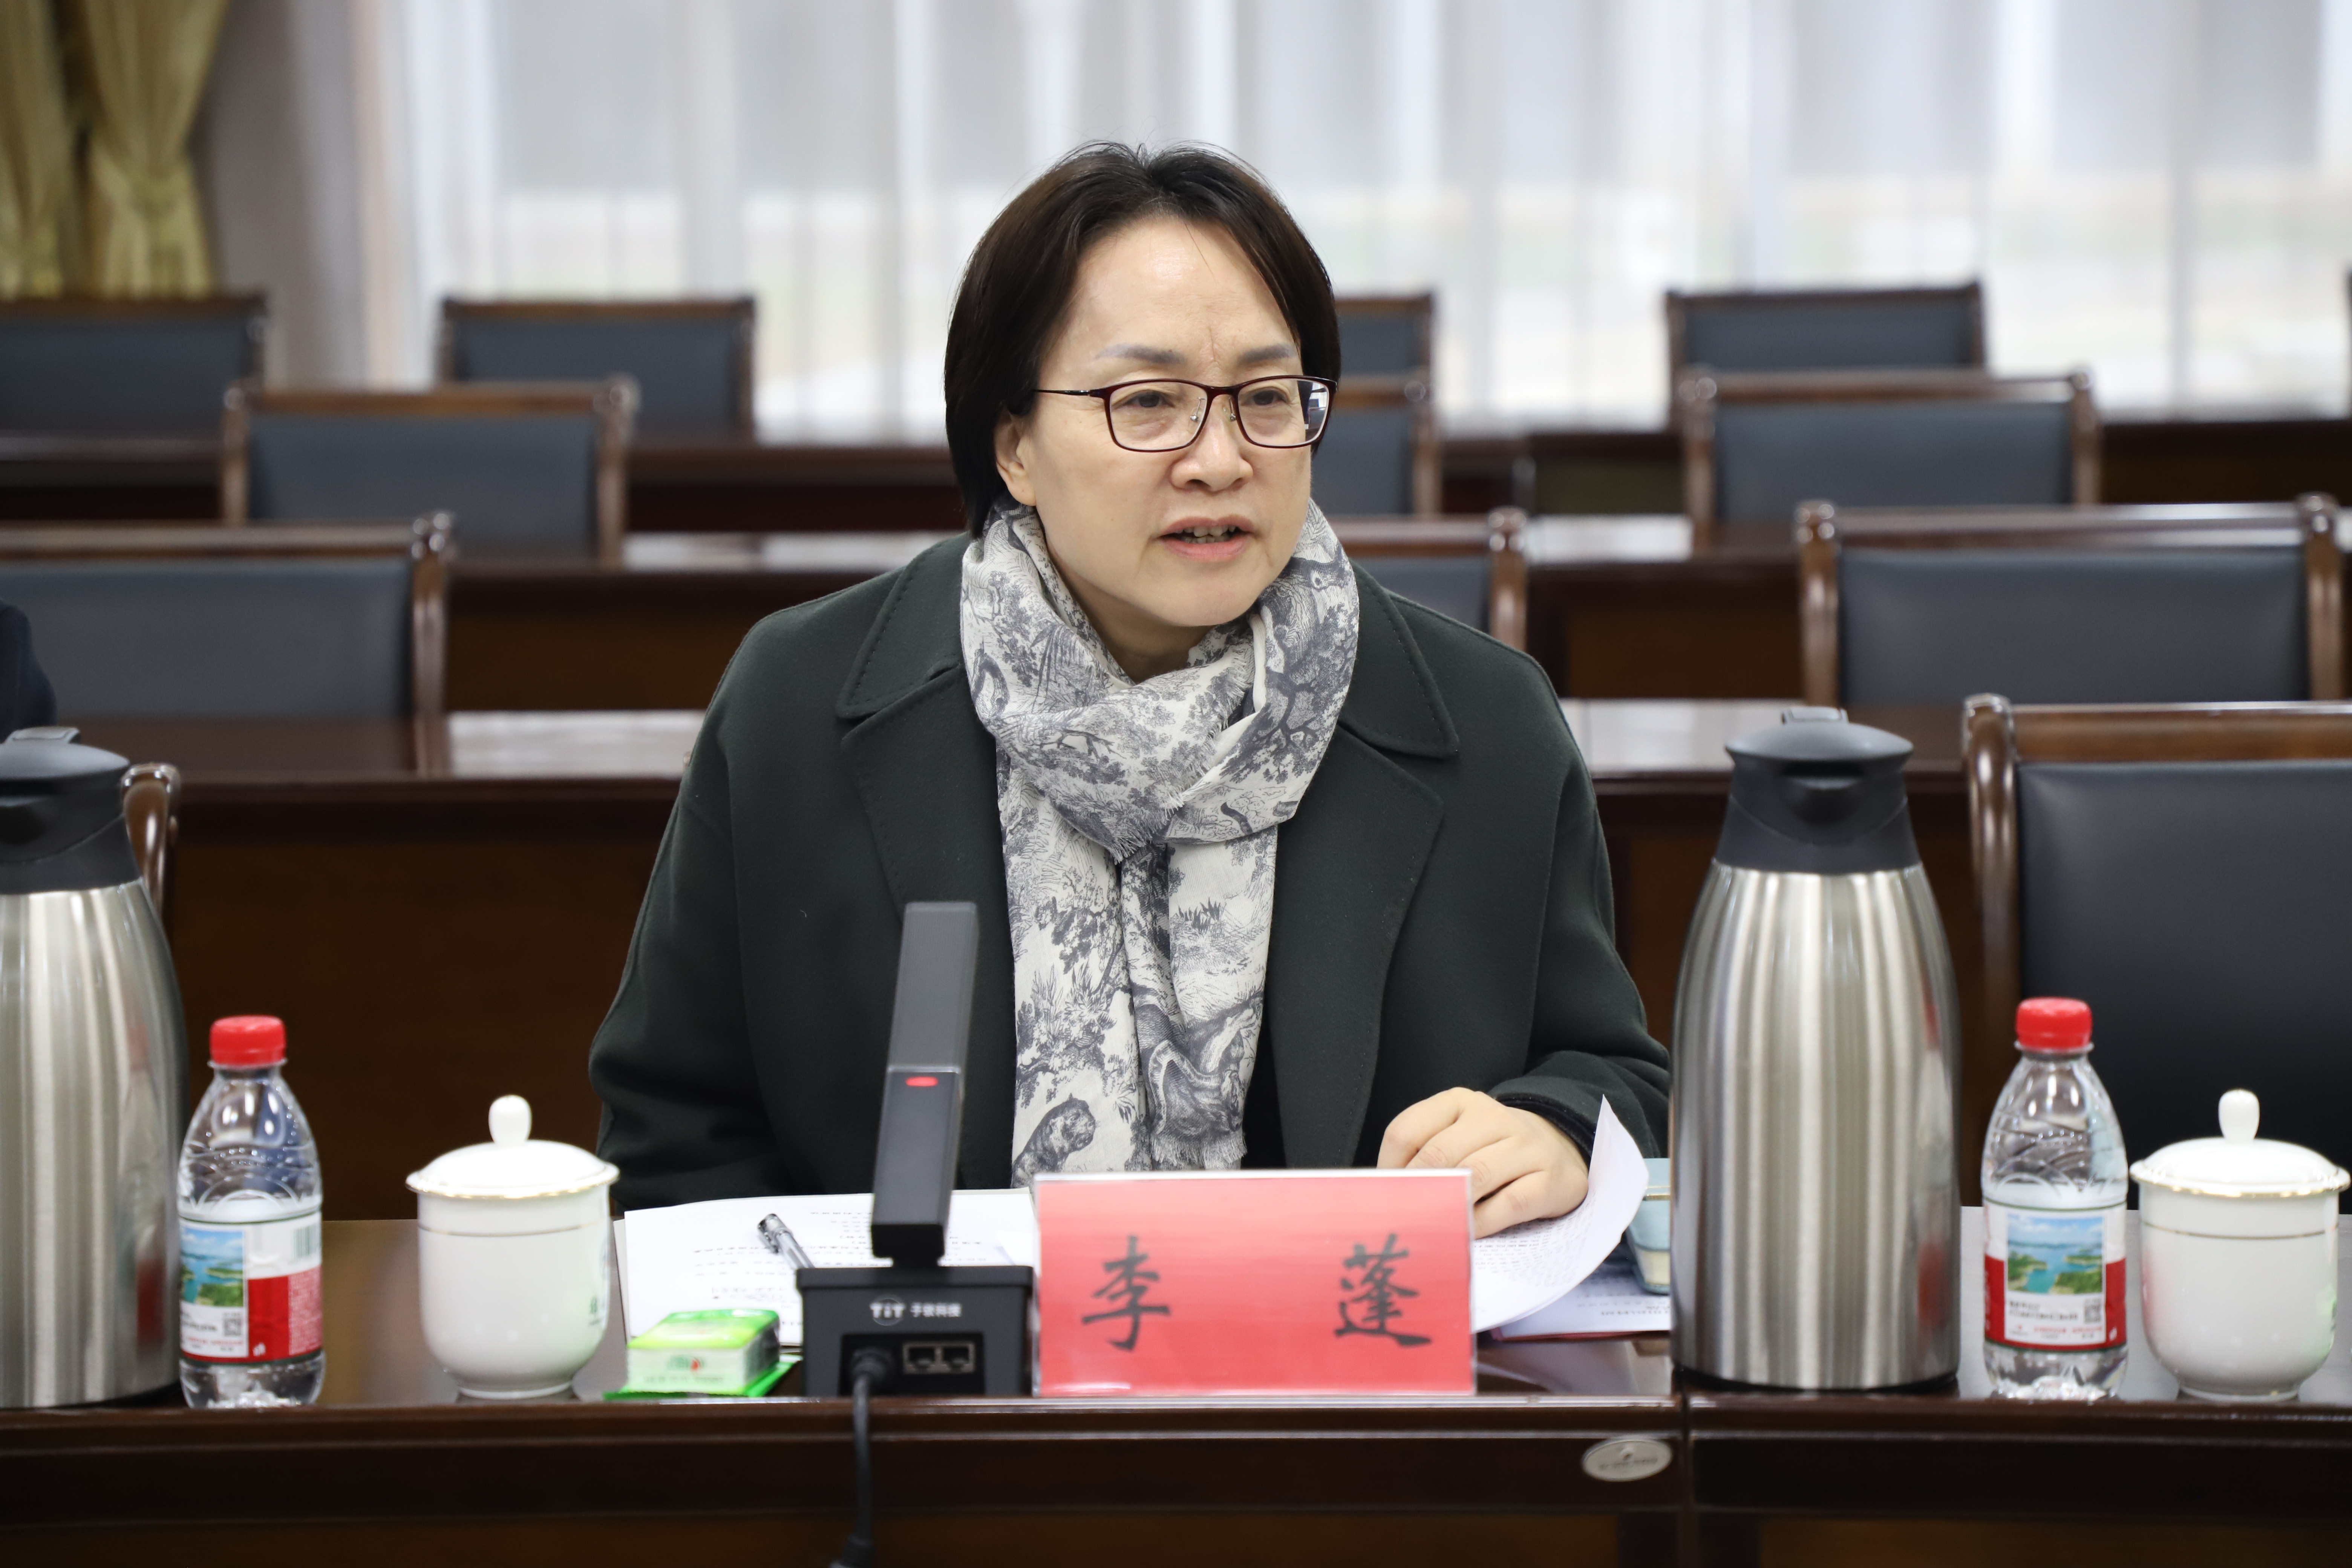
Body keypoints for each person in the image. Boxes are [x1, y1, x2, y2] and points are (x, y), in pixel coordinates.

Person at [590, 144, 1666, 1237]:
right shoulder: (799, 703)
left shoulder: (1485, 721)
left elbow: (1616, 1077)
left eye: (1265, 397)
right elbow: (676, 1128)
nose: (1219, 460)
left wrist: (1558, 1131)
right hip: (932, 1350)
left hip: (1350, 1344)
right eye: (1147, 401)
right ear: (1013, 444)